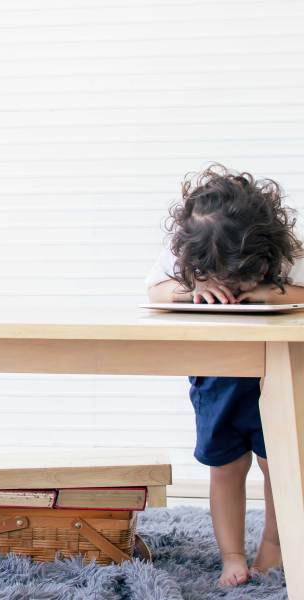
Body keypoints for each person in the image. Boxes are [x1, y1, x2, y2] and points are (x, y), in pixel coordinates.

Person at [146, 164, 301, 586]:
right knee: (225, 469)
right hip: (217, 379)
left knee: (278, 467)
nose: (231, 285)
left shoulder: (287, 255)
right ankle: (231, 554)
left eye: (242, 277)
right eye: (218, 276)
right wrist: (189, 290)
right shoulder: (183, 252)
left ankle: (274, 543)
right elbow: (154, 290)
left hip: (277, 378)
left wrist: (273, 289)